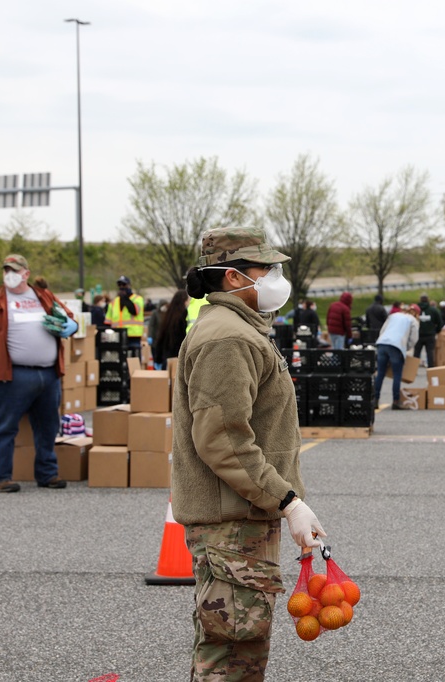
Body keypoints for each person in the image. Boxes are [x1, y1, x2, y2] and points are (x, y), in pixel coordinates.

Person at [173, 226, 326, 681]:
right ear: (236, 278)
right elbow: (224, 439)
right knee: (233, 652)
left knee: (236, 645)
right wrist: (288, 500)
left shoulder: (240, 328)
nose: (277, 277)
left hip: (241, 515)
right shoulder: (229, 338)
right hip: (231, 522)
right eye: (268, 268)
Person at [0, 254, 79, 493]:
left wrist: (72, 325)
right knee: (5, 427)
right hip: (11, 375)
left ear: (26, 273)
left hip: (48, 374)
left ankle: (47, 474)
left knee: (48, 426)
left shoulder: (43, 296)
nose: (10, 274)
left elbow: (68, 316)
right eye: (7, 269)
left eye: (15, 270)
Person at [373, 304, 420, 410]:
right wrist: (405, 348)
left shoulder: (394, 315)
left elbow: (383, 330)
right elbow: (413, 339)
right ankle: (396, 401)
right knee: (397, 374)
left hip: (382, 343)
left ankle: (375, 400)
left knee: (380, 373)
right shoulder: (413, 321)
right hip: (396, 346)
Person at [105, 275, 145, 353]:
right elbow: (107, 322)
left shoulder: (138, 299)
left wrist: (125, 298)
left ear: (129, 285)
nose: (122, 287)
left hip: (133, 336)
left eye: (124, 285)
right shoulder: (113, 302)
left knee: (133, 362)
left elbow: (135, 311)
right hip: (117, 337)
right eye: (120, 285)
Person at [152, 291, 188, 370]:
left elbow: (161, 338)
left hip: (167, 357)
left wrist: (158, 358)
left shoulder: (169, 316)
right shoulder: (184, 316)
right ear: (184, 301)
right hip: (179, 358)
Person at [413, 294, 442, 367]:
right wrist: (436, 331)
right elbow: (439, 322)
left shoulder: (415, 310)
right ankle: (431, 369)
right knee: (430, 352)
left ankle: (413, 370)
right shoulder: (433, 310)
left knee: (416, 353)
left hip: (418, 334)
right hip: (430, 334)